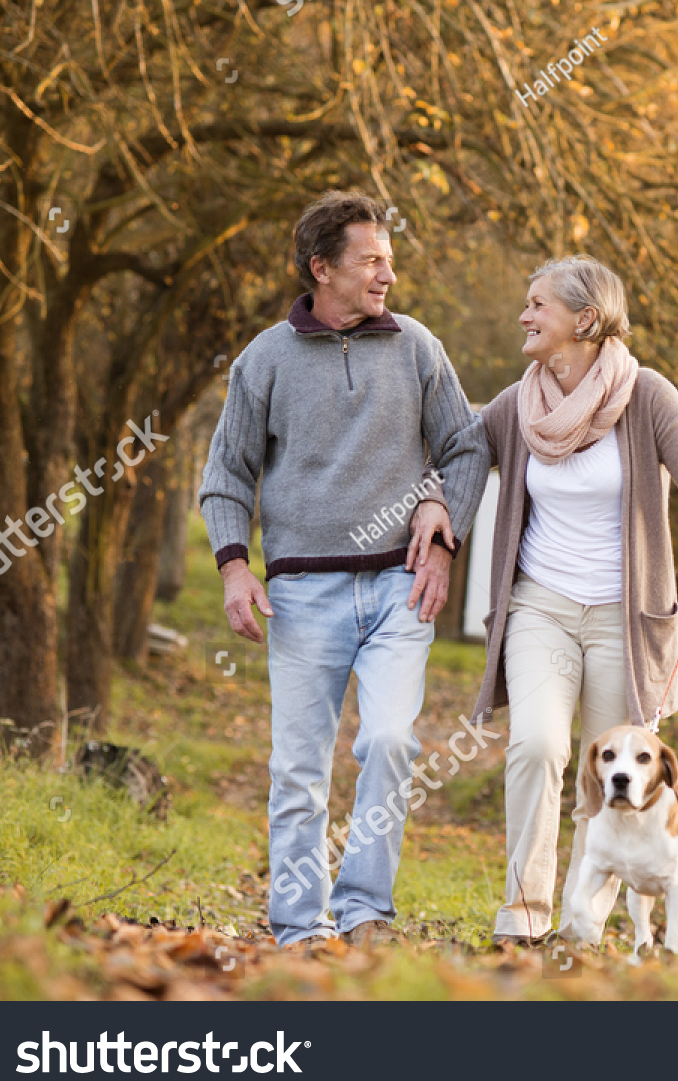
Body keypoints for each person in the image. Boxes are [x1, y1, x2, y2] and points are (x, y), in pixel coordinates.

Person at [411, 254, 678, 945]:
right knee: (535, 744)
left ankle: (582, 919)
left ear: (584, 320)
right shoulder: (518, 403)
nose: (523, 316)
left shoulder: (646, 395)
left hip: (627, 617)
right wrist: (438, 511)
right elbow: (465, 454)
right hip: (541, 606)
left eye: (538, 305)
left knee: (612, 768)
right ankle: (524, 916)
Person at [199, 190, 489, 949]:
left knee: (392, 741)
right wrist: (235, 567)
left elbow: (466, 447)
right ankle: (301, 927)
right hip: (300, 595)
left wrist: (444, 523)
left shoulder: (419, 346)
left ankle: (364, 911)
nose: (387, 274)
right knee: (298, 769)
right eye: (372, 260)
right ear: (321, 268)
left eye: (390, 260)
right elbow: (225, 474)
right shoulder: (263, 360)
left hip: (401, 585)